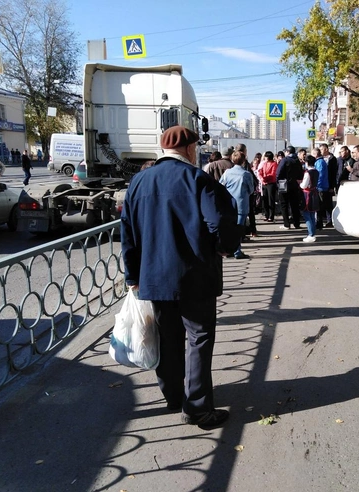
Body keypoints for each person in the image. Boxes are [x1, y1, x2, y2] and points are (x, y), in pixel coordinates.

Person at [120, 125, 242, 429]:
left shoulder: (138, 183)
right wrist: (225, 249)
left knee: (168, 338)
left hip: (154, 278)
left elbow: (128, 234)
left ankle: (173, 397)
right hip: (195, 277)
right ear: (189, 149)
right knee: (198, 338)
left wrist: (132, 275)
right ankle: (198, 408)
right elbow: (221, 222)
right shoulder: (198, 179)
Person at [220, 150, 254, 260]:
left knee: (229, 228)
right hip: (241, 204)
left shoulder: (227, 173)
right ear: (244, 160)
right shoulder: (246, 174)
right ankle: (237, 251)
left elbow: (221, 186)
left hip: (229, 204)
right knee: (239, 228)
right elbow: (251, 190)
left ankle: (228, 250)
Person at [276, 145, 304, 230]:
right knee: (294, 204)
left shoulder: (285, 160)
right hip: (295, 185)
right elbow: (300, 174)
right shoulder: (297, 161)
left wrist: (278, 182)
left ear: (288, 152)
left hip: (283, 183)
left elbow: (278, 173)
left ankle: (286, 224)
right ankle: (297, 223)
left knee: (284, 204)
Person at [300, 155, 320, 243]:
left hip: (307, 194)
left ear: (307, 162)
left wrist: (299, 184)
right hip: (314, 193)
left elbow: (304, 185)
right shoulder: (316, 171)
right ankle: (312, 233)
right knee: (312, 214)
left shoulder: (307, 172)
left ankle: (311, 234)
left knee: (307, 214)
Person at [319, 143, 337, 227]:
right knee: (322, 203)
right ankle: (323, 219)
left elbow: (334, 174)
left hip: (329, 184)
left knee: (328, 203)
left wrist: (332, 186)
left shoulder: (332, 159)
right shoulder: (320, 159)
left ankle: (330, 220)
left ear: (326, 149)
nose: (320, 151)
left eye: (321, 149)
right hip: (322, 185)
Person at [312, 148, 329, 230]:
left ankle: (319, 224)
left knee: (318, 207)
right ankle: (319, 223)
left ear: (315, 154)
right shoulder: (321, 162)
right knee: (319, 207)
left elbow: (319, 176)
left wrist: (315, 185)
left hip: (320, 187)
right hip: (321, 186)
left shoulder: (319, 162)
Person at [258, 151, 278, 222]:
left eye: (266, 156)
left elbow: (273, 174)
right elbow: (260, 171)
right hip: (264, 183)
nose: (265, 158)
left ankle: (271, 215)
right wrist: (261, 176)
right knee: (265, 199)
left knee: (271, 200)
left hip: (271, 183)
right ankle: (266, 214)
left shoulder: (274, 164)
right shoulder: (264, 163)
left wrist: (264, 177)